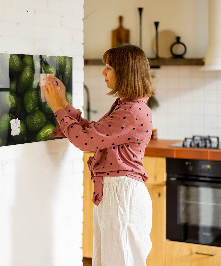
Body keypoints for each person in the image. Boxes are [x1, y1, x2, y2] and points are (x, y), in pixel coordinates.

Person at [42, 44, 154, 266]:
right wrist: (63, 103)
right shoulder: (127, 106)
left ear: (125, 72)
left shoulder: (131, 111)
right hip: (117, 193)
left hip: (122, 195)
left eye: (109, 67)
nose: (103, 72)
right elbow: (93, 133)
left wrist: (57, 108)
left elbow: (85, 141)